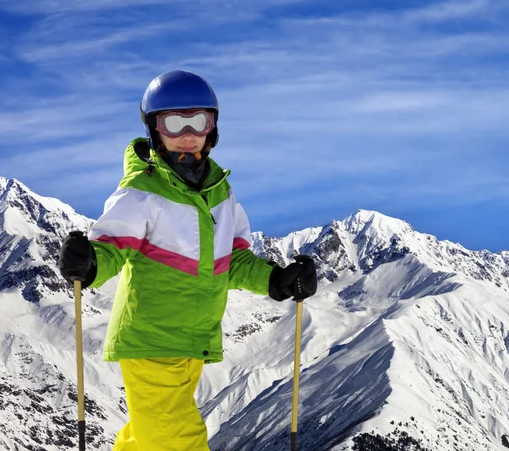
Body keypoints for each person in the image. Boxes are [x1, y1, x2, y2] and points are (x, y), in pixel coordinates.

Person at [59, 69, 317, 451]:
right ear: (154, 129)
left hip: (192, 343)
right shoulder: (143, 192)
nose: (187, 133)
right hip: (151, 343)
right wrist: (90, 263)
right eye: (173, 122)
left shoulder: (220, 193)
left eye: (198, 121)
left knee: (146, 438)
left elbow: (234, 260)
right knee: (180, 441)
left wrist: (277, 280)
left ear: (212, 127)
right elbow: (113, 246)